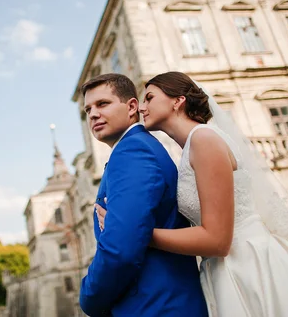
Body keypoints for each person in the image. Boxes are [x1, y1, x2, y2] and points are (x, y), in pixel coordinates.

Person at [96, 71, 288, 316]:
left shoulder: (204, 140)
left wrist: (134, 233)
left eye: (149, 98)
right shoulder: (190, 149)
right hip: (224, 268)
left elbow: (217, 240)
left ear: (178, 101)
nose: (141, 108)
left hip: (249, 265)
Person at [78, 73, 208, 317]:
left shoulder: (133, 151)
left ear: (131, 107)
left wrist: (88, 298)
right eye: (88, 109)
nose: (93, 114)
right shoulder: (135, 149)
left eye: (103, 104)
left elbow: (120, 249)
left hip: (155, 305)